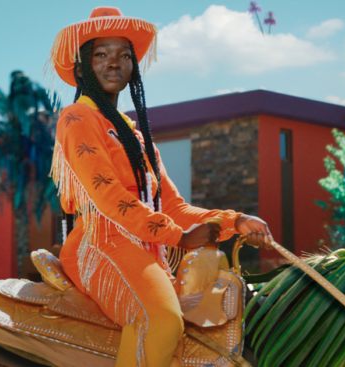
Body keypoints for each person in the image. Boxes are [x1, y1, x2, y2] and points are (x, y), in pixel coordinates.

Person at [47, 7, 272, 367]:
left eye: (123, 55)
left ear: (133, 66)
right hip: (100, 246)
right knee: (163, 321)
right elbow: (107, 196)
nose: (113, 63)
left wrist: (236, 220)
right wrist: (180, 238)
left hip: (147, 252)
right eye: (100, 54)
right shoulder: (77, 118)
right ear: (83, 66)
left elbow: (174, 208)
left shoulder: (138, 137)